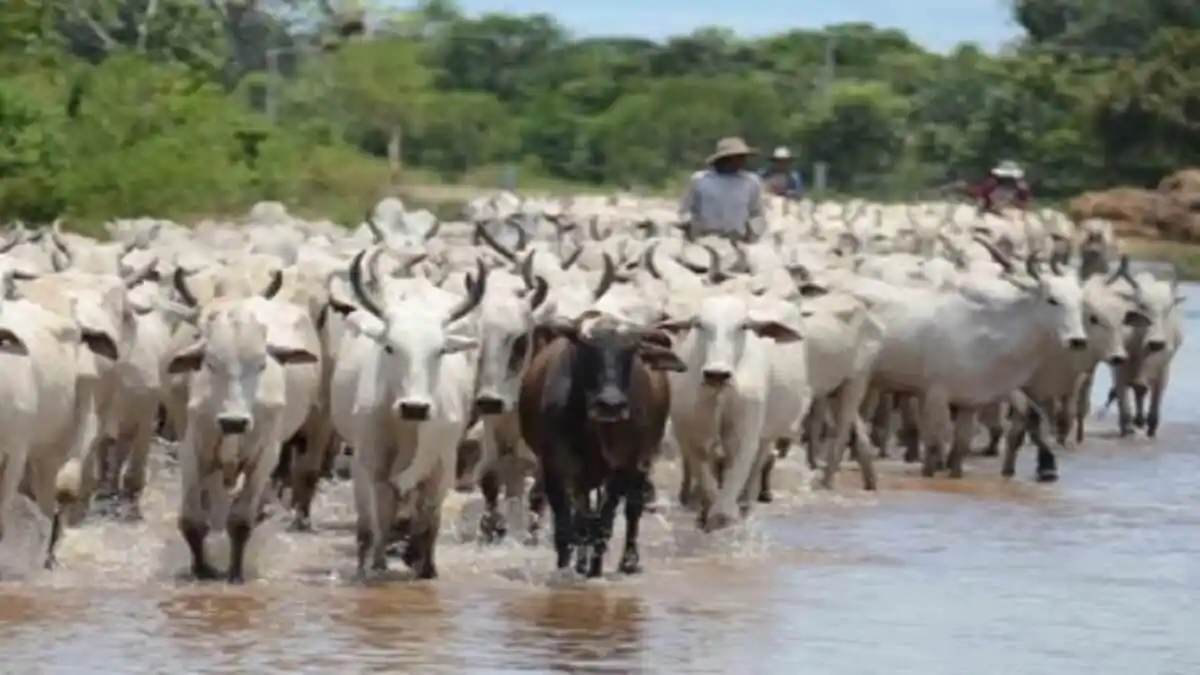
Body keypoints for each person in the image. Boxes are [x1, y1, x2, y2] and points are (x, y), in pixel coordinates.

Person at [678, 137, 766, 242]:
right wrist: (688, 226)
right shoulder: (700, 180)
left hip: (738, 240)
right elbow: (685, 210)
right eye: (739, 157)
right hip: (704, 240)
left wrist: (753, 233)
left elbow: (757, 213)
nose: (743, 161)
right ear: (726, 158)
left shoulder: (751, 182)